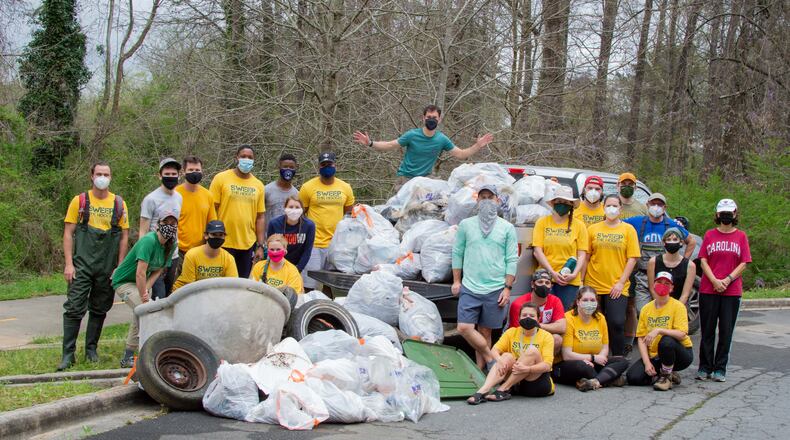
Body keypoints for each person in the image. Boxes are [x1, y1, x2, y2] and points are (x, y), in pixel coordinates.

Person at [58, 162, 130, 370]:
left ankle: (91, 350)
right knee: (73, 308)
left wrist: (120, 267)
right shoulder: (80, 201)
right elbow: (68, 233)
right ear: (91, 176)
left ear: (111, 177)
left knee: (99, 309)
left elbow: (124, 237)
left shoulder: (119, 204)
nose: (102, 177)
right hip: (81, 265)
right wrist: (69, 264)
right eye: (99, 173)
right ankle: (67, 354)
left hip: (107, 267)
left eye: (106, 174)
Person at [452, 185, 518, 370]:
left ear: (498, 201)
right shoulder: (466, 225)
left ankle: (481, 373)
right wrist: (457, 281)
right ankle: (491, 360)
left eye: (490, 197)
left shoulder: (507, 228)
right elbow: (457, 252)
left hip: (496, 287)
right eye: (483, 197)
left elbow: (512, 259)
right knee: (464, 327)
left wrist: (507, 288)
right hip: (470, 286)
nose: (487, 201)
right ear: (477, 201)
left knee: (485, 331)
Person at [352, 105, 494, 188]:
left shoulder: (441, 139)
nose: (431, 120)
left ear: (439, 120)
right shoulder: (412, 135)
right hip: (406, 179)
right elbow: (390, 145)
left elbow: (461, 154)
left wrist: (478, 145)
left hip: (426, 179)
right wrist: (370, 143)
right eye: (428, 117)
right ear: (423, 118)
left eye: (434, 118)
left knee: (443, 193)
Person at [112, 212, 178, 368]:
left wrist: (146, 289)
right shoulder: (148, 241)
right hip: (124, 282)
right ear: (159, 224)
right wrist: (143, 296)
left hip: (141, 283)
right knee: (146, 311)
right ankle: (149, 352)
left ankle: (130, 355)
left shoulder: (171, 245)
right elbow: (140, 272)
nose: (169, 226)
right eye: (166, 222)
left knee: (141, 312)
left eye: (173, 224)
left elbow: (158, 270)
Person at [696, 199, 751, 383]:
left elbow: (744, 262)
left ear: (735, 214)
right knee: (708, 330)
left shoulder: (741, 236)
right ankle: (705, 367)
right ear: (717, 214)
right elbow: (703, 259)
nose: (726, 215)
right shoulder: (710, 235)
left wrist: (727, 280)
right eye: (723, 212)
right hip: (709, 289)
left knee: (726, 331)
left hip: (731, 290)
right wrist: (714, 280)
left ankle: (720, 368)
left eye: (730, 212)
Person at [584, 194, 640, 356]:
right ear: (603, 207)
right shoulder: (593, 229)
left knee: (616, 322)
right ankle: (594, 356)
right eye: (608, 205)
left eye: (615, 206)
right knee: (594, 323)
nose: (611, 209)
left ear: (620, 209)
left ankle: (617, 358)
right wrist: (582, 282)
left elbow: (632, 259)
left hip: (617, 285)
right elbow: (587, 256)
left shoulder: (628, 230)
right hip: (593, 283)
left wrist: (621, 282)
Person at [466, 302, 555, 404]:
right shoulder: (511, 332)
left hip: (535, 382)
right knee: (506, 356)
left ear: (538, 319)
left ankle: (502, 389)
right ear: (519, 318)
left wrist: (528, 369)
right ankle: (483, 391)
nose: (528, 318)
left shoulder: (546, 336)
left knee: (532, 350)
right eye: (524, 315)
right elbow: (494, 350)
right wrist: (499, 360)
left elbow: (547, 366)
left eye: (532, 316)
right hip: (515, 380)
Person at [625, 193, 696, 312]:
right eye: (653, 204)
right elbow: (616, 224)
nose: (656, 207)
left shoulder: (672, 225)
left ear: (664, 208)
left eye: (660, 204)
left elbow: (692, 242)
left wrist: (683, 262)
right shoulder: (637, 222)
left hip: (664, 276)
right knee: (642, 311)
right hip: (642, 276)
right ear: (647, 205)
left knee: (664, 311)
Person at [552, 287, 630, 391]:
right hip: (572, 363)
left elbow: (605, 347)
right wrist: (592, 358)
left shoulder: (600, 318)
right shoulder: (568, 318)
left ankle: (595, 381)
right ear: (578, 302)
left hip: (595, 362)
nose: (589, 303)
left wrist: (601, 357)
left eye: (592, 300)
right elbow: (567, 355)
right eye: (585, 300)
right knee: (584, 367)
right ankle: (608, 378)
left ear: (597, 302)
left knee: (622, 361)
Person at [626, 272, 694, 391]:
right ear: (653, 285)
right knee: (633, 377)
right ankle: (663, 374)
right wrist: (647, 363)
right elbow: (641, 338)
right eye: (659, 282)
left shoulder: (678, 306)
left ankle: (666, 376)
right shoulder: (646, 309)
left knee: (666, 340)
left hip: (680, 354)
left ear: (672, 288)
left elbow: (682, 333)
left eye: (667, 283)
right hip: (656, 355)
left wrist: (659, 330)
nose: (663, 285)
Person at [299, 152, 355, 290]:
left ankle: (328, 310)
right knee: (309, 284)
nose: (326, 167)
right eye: (323, 164)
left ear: (335, 165)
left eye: (329, 164)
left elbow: (349, 215)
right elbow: (300, 214)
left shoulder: (345, 187)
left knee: (332, 285)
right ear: (319, 166)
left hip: (337, 245)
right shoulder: (307, 187)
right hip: (314, 243)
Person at [209, 145, 266, 278]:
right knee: (221, 283)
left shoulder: (258, 185)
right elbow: (212, 208)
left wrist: (260, 245)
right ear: (237, 157)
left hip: (247, 244)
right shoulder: (221, 178)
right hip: (222, 241)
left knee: (241, 283)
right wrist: (210, 235)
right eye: (243, 156)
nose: (246, 159)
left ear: (254, 160)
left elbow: (260, 217)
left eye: (250, 157)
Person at [532, 185, 589, 310]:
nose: (562, 204)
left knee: (565, 315)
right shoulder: (542, 222)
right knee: (543, 314)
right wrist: (552, 273)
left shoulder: (579, 226)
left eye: (566, 202)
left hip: (569, 280)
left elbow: (582, 254)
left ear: (571, 205)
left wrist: (574, 274)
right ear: (553, 203)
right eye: (559, 201)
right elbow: (537, 251)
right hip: (545, 279)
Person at [140, 157, 183, 299]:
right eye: (167, 174)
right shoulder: (150, 199)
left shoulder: (179, 198)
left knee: (169, 294)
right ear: (160, 175)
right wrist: (143, 256)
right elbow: (143, 230)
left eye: (173, 174)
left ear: (178, 175)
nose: (170, 177)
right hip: (155, 255)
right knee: (158, 295)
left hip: (172, 254)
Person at [175, 156, 217, 277]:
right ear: (183, 172)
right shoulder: (176, 194)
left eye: (198, 170)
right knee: (177, 287)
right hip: (179, 251)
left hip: (200, 251)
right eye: (191, 170)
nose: (195, 173)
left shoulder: (207, 195)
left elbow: (212, 224)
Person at [507, 269, 566, 355]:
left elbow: (562, 327)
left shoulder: (555, 301)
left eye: (547, 283)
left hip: (541, 338)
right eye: (540, 282)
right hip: (522, 339)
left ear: (551, 286)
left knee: (557, 339)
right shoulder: (519, 304)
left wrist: (538, 325)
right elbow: (516, 332)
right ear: (532, 284)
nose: (544, 285)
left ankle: (545, 366)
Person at [172, 220, 238, 291]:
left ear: (224, 237)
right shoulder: (192, 255)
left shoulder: (229, 259)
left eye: (221, 235)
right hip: (191, 293)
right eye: (214, 234)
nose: (217, 238)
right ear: (206, 235)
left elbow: (232, 286)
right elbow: (188, 285)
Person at [266, 196, 315, 272]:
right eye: (291, 207)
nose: (294, 210)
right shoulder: (274, 223)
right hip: (277, 263)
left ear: (302, 209)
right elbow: (269, 246)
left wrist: (298, 270)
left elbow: (307, 250)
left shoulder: (309, 225)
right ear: (285, 208)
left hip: (297, 265)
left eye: (297, 207)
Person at [647, 228, 696, 304]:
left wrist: (674, 310)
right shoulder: (653, 262)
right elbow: (652, 289)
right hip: (657, 304)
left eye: (675, 239)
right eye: (668, 239)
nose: (671, 242)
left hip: (679, 305)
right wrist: (662, 306)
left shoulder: (690, 266)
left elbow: (685, 294)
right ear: (664, 242)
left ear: (681, 242)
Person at [264, 153, 299, 226]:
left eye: (291, 167)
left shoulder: (297, 194)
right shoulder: (266, 190)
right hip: (269, 236)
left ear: (295, 169)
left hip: (288, 236)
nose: (288, 169)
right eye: (285, 166)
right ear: (279, 167)